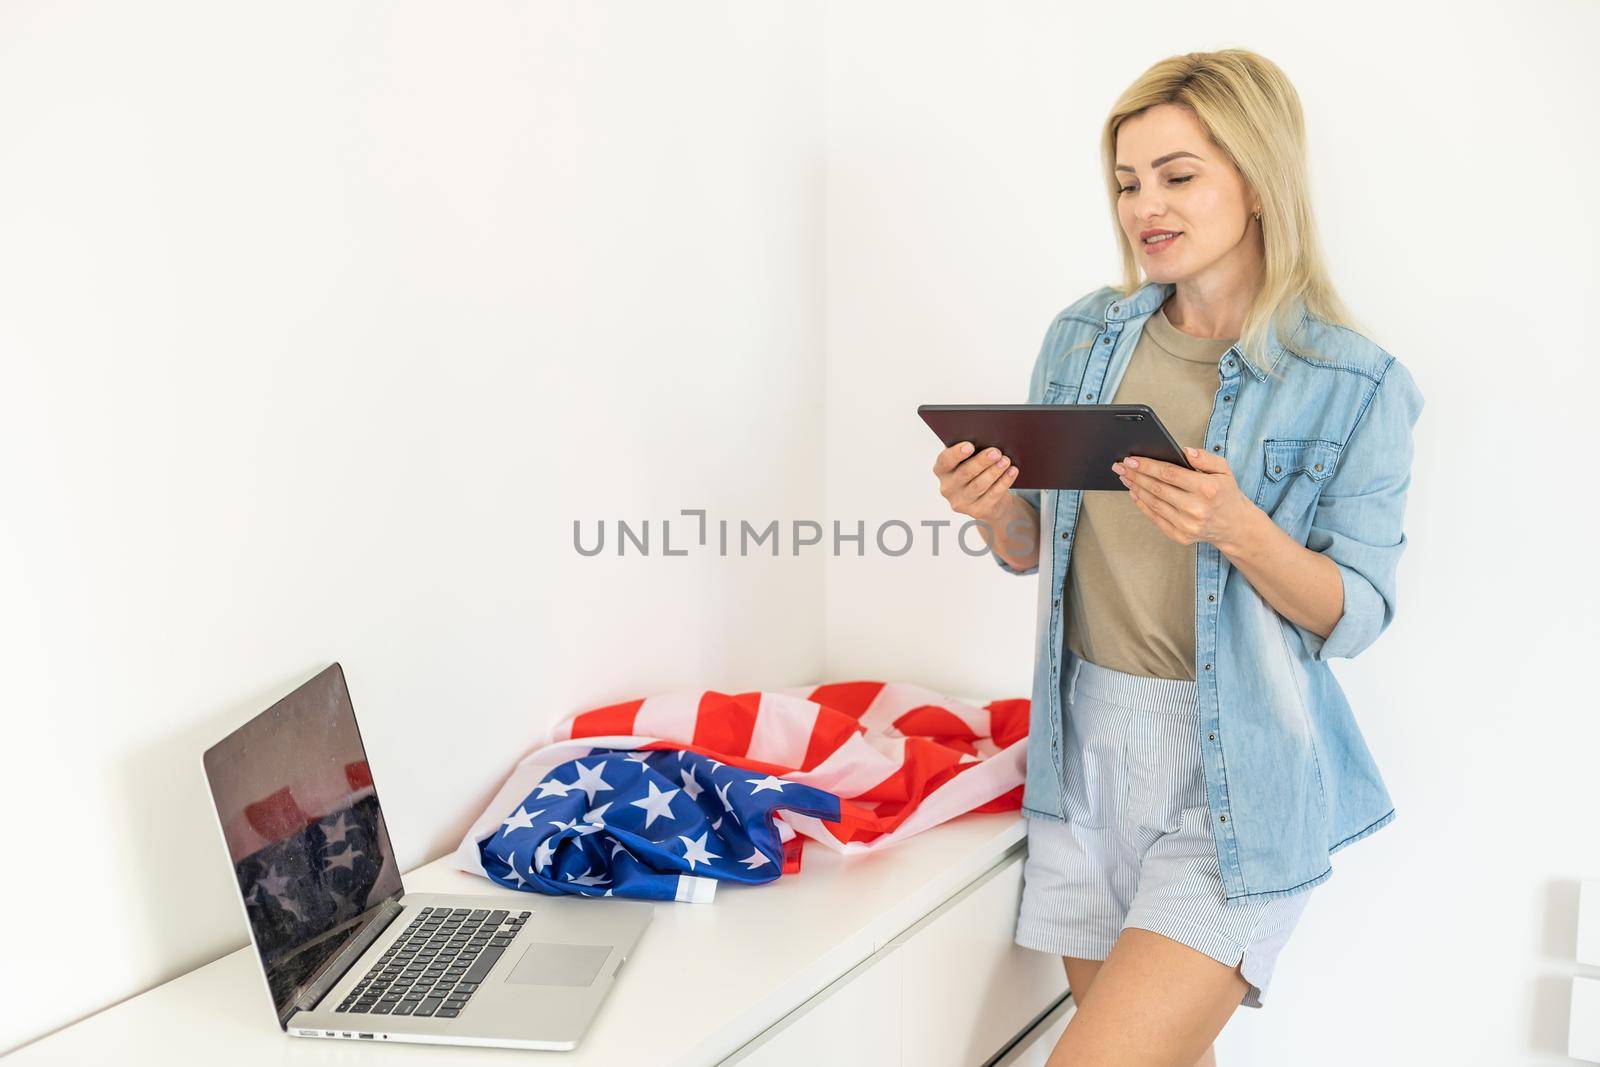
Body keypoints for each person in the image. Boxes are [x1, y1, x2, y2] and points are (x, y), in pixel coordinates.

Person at [930, 49, 1423, 1066]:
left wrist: (1237, 525)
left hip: (1238, 775)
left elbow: (1358, 611)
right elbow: (1035, 549)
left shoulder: (1354, 381)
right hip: (1084, 759)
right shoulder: (1081, 339)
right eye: (1126, 181)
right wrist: (988, 511)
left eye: (1177, 174)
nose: (1142, 205)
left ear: (1255, 178)